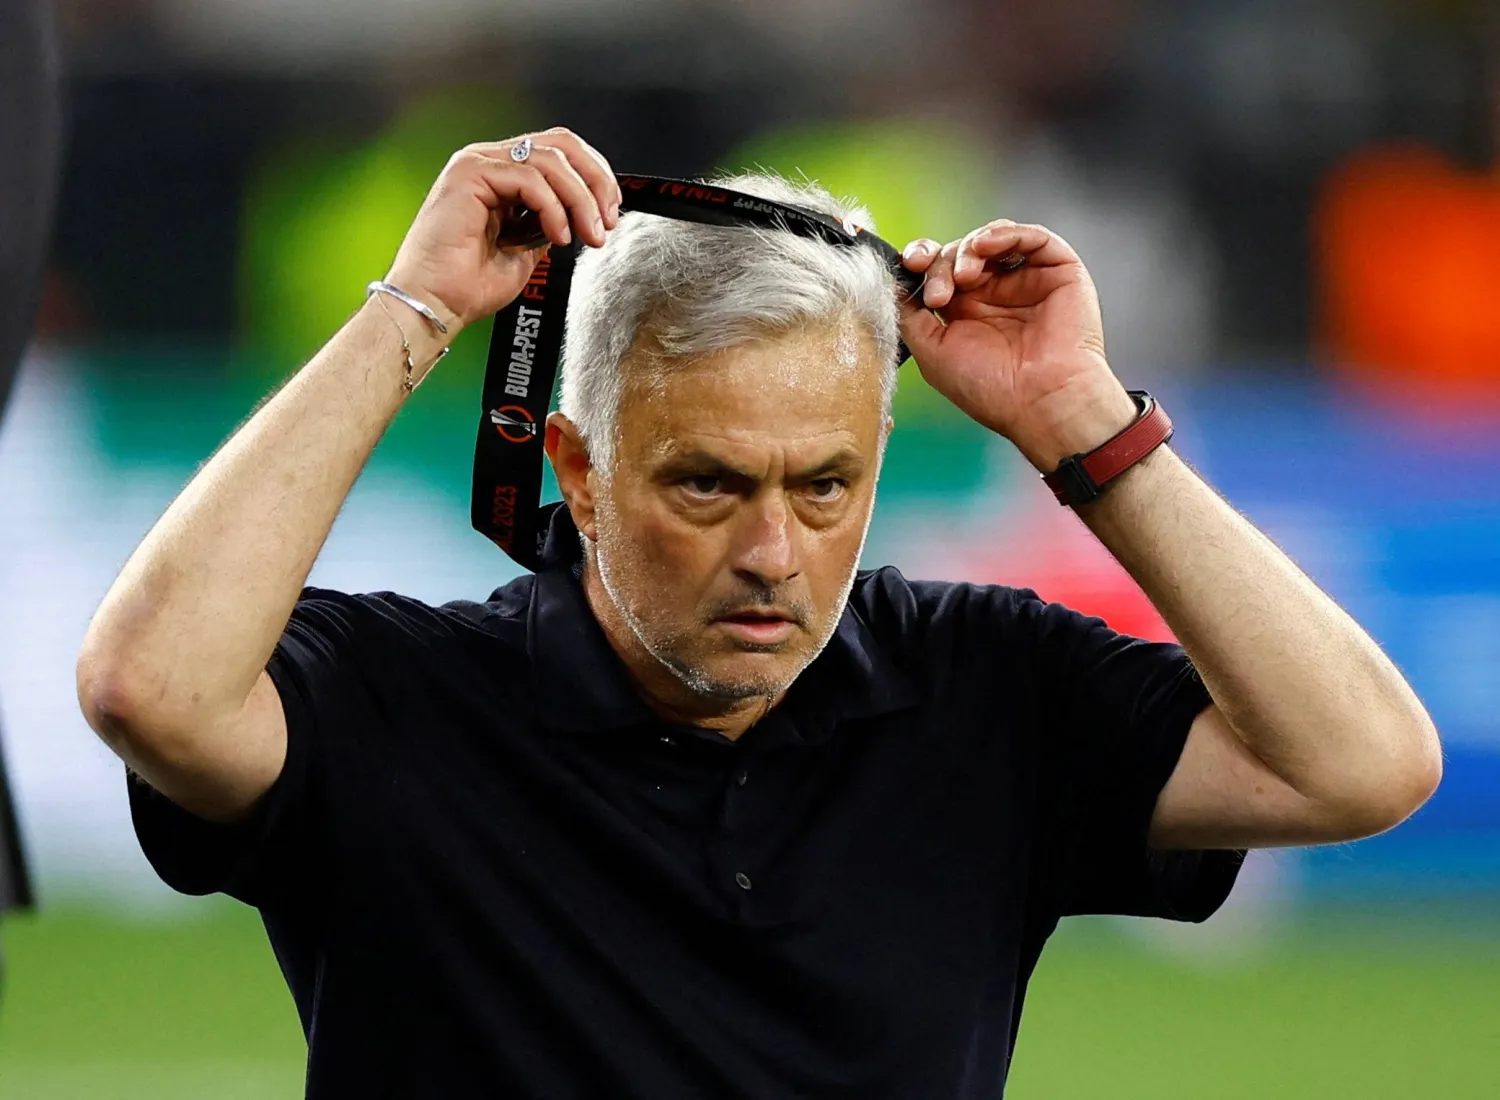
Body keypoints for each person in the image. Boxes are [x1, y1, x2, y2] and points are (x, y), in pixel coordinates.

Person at [77, 129, 1441, 1098]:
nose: (776, 554)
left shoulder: (979, 688)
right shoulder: (405, 698)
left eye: (828, 483)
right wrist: (418, 306)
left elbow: (1362, 763)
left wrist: (1080, 420)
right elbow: (151, 689)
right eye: (710, 484)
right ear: (581, 473)